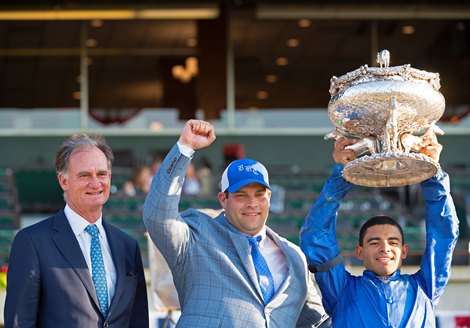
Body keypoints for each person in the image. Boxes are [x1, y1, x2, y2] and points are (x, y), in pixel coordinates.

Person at [143, 119, 330, 328]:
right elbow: (158, 216)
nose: (252, 203)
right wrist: (185, 148)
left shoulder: (294, 256)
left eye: (260, 195)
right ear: (223, 199)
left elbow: (317, 322)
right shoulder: (196, 236)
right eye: (241, 195)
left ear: (269, 196)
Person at [299, 136, 459, 327]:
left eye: (393, 242)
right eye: (374, 242)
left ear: (404, 251)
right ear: (360, 251)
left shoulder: (425, 287)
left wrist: (432, 173)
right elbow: (315, 237)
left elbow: (444, 236)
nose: (385, 248)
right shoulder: (341, 290)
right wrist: (341, 174)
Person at [4, 133, 149, 327]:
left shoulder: (128, 246)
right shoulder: (32, 243)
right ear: (64, 181)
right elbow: (19, 322)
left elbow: (138, 320)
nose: (96, 183)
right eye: (84, 175)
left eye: (102, 174)